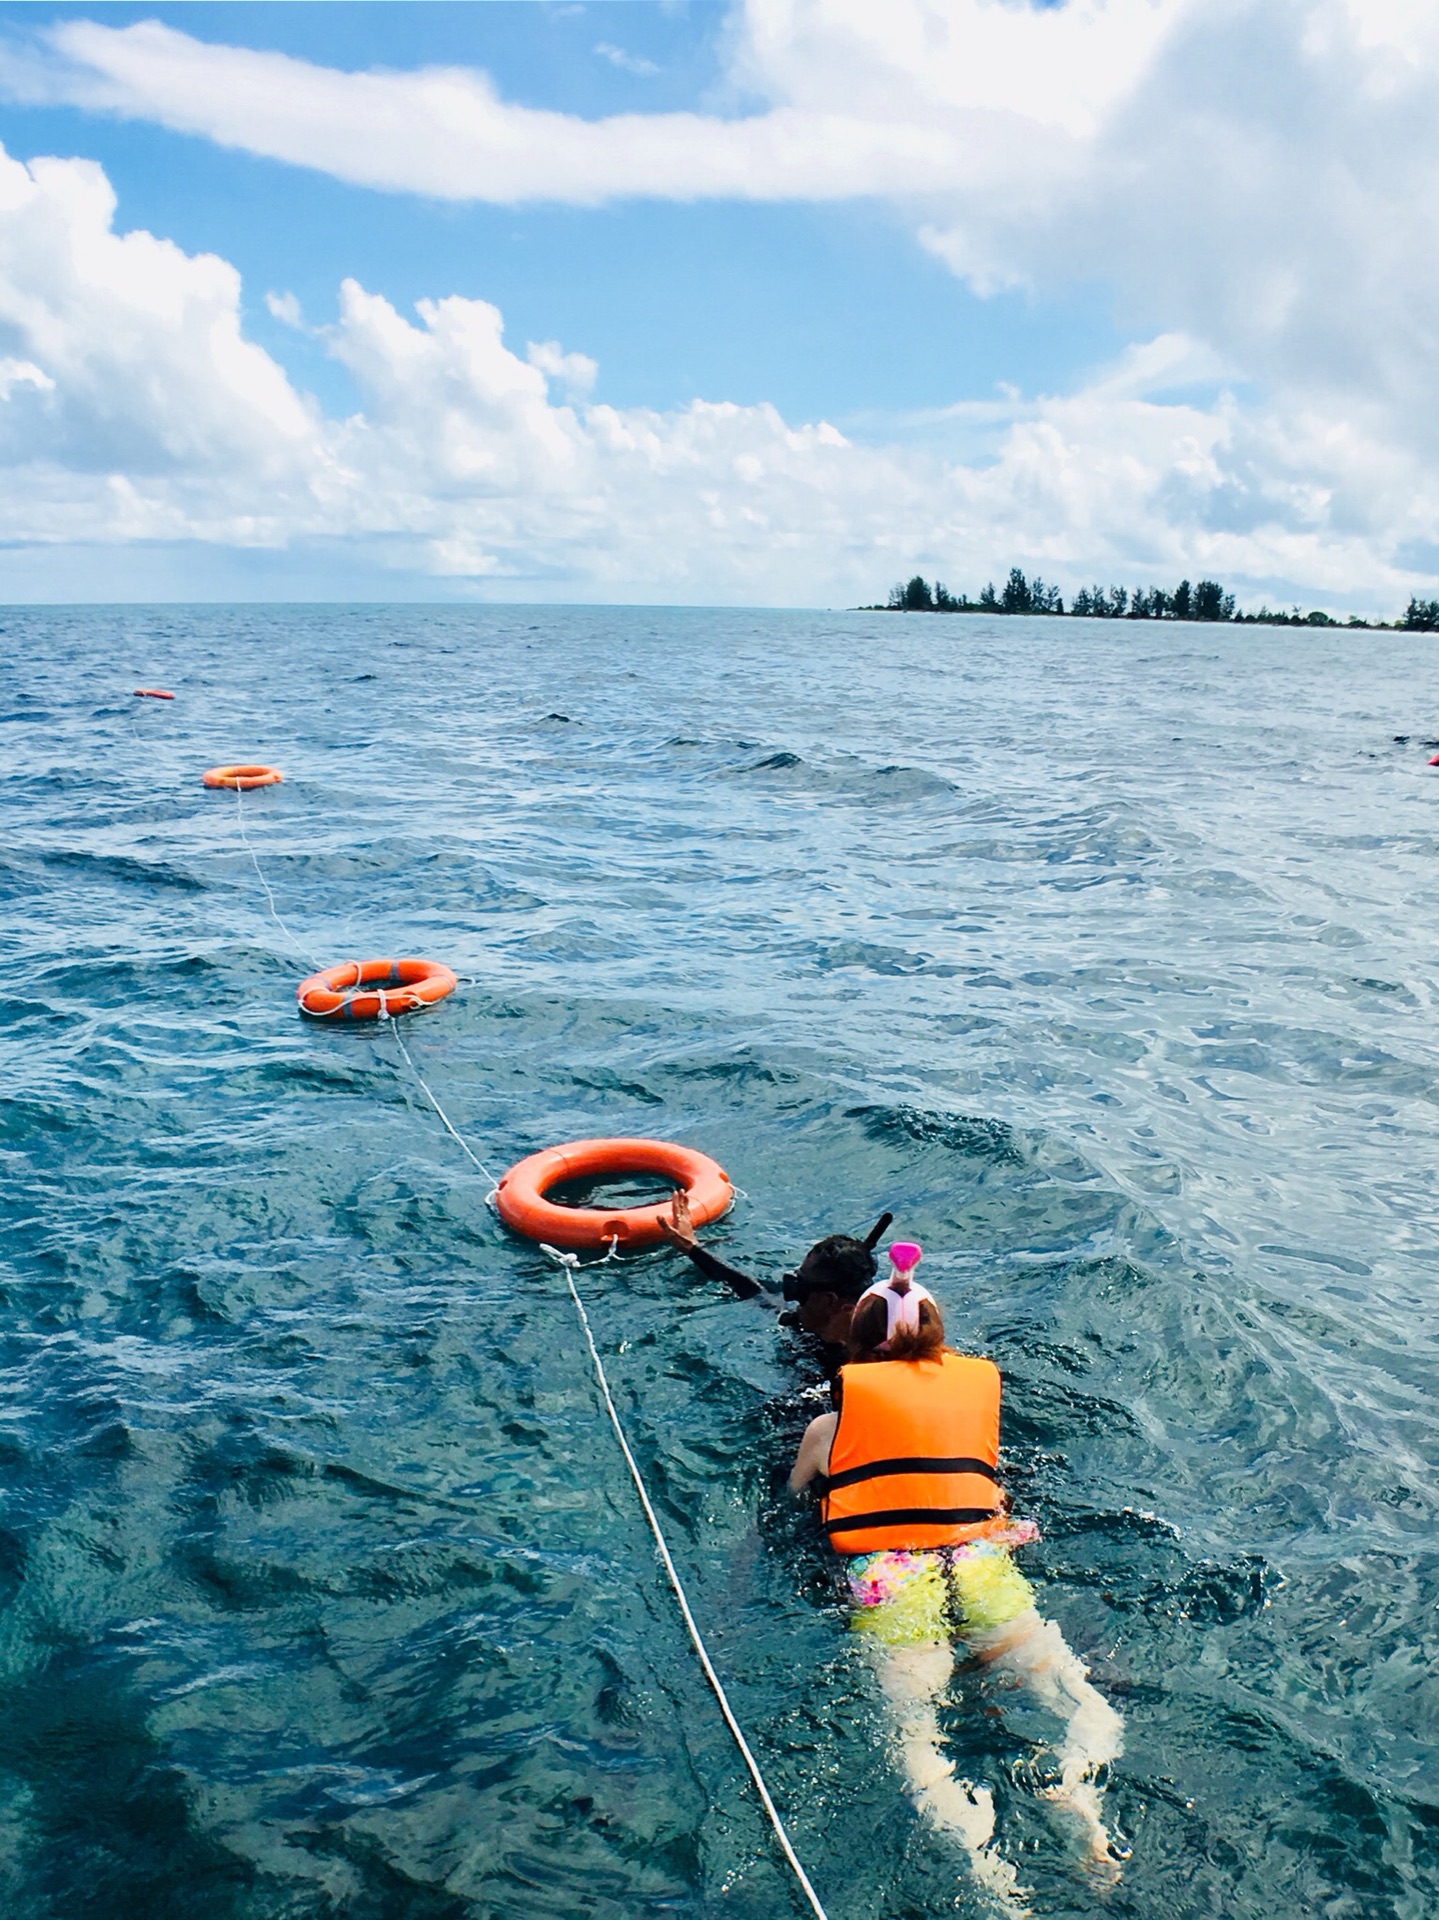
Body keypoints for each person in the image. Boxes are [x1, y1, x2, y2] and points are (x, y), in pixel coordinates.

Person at [789, 1245, 1124, 1908]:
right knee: (1084, 1705)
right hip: (980, 1567)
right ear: (939, 1343)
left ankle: (989, 1876)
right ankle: (1077, 1792)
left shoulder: (829, 1426)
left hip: (890, 1580)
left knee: (917, 1740)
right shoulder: (973, 1417)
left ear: (855, 1349)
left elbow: (795, 1503)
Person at [657, 1188, 891, 1353]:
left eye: (798, 1288)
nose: (792, 1299)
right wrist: (692, 1249)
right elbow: (750, 1290)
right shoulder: (801, 1320)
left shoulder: (857, 1358)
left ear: (829, 1302)